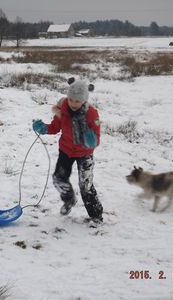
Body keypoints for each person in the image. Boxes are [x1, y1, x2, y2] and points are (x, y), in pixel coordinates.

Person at [32, 77, 103, 224]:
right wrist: (43, 128)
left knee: (86, 186)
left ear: (84, 100)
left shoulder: (92, 114)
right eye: (71, 100)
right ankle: (69, 199)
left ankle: (96, 216)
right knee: (59, 179)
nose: (73, 104)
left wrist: (91, 141)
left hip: (85, 154)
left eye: (77, 101)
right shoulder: (62, 109)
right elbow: (55, 127)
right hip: (66, 150)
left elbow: (96, 137)